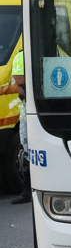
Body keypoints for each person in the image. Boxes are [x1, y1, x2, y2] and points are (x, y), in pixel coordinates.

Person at [3, 48, 29, 204]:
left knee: (27, 149)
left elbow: (20, 84)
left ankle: (27, 191)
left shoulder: (20, 56)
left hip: (29, 110)